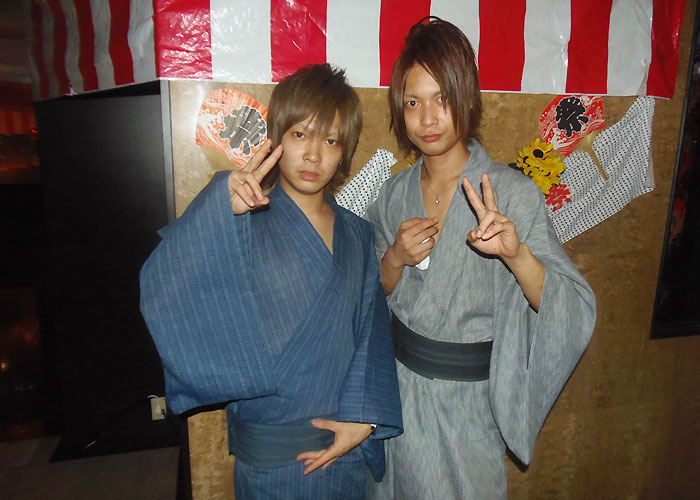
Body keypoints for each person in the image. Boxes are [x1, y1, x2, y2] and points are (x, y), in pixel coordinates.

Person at [140, 63, 403, 499]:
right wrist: (218, 208)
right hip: (270, 456)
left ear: (345, 151)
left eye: (331, 140)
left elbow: (371, 330)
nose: (314, 155)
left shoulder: (358, 233)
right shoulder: (242, 219)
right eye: (300, 134)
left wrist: (366, 418)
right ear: (277, 137)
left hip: (345, 451)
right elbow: (166, 284)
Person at [365, 18, 596, 499]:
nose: (428, 119)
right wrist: (394, 259)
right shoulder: (392, 194)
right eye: (413, 102)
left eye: (442, 99)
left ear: (467, 99)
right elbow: (368, 296)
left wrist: (517, 255)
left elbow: (571, 309)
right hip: (397, 398)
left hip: (468, 410)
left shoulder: (514, 195)